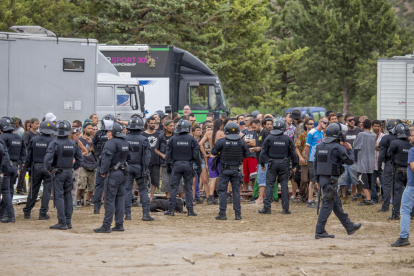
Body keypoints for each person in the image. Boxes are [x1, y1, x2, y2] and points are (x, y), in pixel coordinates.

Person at [314, 123, 361, 239]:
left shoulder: (320, 146)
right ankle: (319, 231)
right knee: (327, 205)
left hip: (324, 179)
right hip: (331, 180)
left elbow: (315, 164)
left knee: (337, 204)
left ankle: (349, 226)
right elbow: (350, 161)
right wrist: (350, 150)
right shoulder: (338, 147)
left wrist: (317, 179)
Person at [93, 122, 131, 233]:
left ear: (113, 132)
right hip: (124, 173)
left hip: (113, 174)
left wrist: (103, 171)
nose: (107, 134)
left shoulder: (110, 143)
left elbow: (106, 159)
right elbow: (130, 157)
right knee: (120, 198)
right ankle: (119, 224)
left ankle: (106, 226)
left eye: (109, 132)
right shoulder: (125, 142)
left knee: (109, 199)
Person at [44, 120, 83, 230]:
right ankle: (68, 221)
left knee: (59, 197)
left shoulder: (54, 143)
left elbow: (47, 159)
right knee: (68, 196)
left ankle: (62, 222)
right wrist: (73, 168)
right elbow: (80, 159)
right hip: (69, 172)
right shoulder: (73, 143)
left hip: (58, 172)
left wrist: (49, 169)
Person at [259, 120, 298, 214]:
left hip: (272, 163)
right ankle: (285, 208)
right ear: (284, 128)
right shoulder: (287, 139)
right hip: (284, 164)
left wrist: (262, 164)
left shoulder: (269, 138)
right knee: (284, 185)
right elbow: (293, 152)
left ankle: (267, 208)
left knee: (270, 185)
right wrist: (294, 165)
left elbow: (263, 152)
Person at [212, 122, 249, 220]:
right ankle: (238, 214)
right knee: (236, 191)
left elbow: (213, 152)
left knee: (223, 191)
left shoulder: (221, 141)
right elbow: (247, 154)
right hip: (236, 169)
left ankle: (222, 213)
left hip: (224, 169)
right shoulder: (241, 142)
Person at [164, 119, 199, 216]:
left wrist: (168, 166)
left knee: (174, 188)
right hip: (188, 165)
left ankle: (171, 210)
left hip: (176, 165)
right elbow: (196, 153)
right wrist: (195, 165)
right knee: (188, 188)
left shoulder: (173, 139)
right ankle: (190, 210)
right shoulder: (192, 139)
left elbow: (168, 155)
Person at [23, 121, 55, 220]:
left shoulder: (34, 139)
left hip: (36, 167)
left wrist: (27, 168)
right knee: (47, 191)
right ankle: (43, 213)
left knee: (33, 190)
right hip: (49, 168)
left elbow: (29, 156)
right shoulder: (54, 141)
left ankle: (27, 211)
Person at [125, 116, 153, 221]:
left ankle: (127, 214)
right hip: (140, 167)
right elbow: (147, 156)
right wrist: (145, 169)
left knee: (127, 190)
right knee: (143, 190)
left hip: (127, 167)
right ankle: (145, 214)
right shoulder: (144, 139)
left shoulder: (125, 138)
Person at [0, 117, 27, 223]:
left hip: (5, 167)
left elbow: (3, 154)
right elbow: (24, 153)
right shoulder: (18, 137)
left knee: (5, 191)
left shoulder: (2, 138)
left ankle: (10, 215)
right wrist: (18, 164)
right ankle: (2, 213)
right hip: (15, 167)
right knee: (9, 191)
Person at [391, 132, 414, 247]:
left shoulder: (413, 150)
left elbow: (413, 167)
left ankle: (404, 237)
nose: (410, 137)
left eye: (413, 135)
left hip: (412, 186)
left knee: (405, 210)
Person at [388, 123, 413, 220]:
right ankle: (412, 214)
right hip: (410, 170)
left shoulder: (395, 143)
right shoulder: (410, 144)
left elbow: (390, 154)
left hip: (398, 169)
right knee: (410, 192)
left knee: (397, 192)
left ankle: (396, 214)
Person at [92, 114, 116, 214]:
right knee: (109, 186)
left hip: (101, 162)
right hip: (111, 164)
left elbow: (93, 145)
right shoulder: (115, 134)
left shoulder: (98, 134)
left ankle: (97, 207)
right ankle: (107, 206)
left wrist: (98, 156)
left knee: (99, 185)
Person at [200, 119, 225, 205]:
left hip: (211, 157)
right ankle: (221, 196)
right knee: (221, 178)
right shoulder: (221, 134)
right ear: (221, 126)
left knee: (213, 179)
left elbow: (200, 144)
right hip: (220, 157)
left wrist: (205, 154)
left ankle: (210, 198)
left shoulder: (208, 133)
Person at [339, 114, 363, 201]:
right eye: (350, 120)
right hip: (345, 159)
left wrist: (351, 147)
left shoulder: (359, 131)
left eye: (353, 119)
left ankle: (359, 195)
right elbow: (340, 145)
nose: (352, 121)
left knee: (356, 179)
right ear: (346, 122)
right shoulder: (344, 133)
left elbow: (362, 145)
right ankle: (344, 196)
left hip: (356, 159)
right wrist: (343, 146)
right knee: (343, 178)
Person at [305, 116, 327, 208]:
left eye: (327, 123)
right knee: (312, 180)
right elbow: (307, 147)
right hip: (312, 160)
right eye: (324, 122)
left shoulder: (322, 132)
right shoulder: (312, 132)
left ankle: (320, 198)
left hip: (320, 159)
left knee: (320, 179)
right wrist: (308, 159)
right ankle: (310, 200)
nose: (326, 124)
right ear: (319, 122)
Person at [155, 119, 180, 199]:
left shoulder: (176, 136)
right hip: (165, 163)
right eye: (170, 126)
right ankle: (169, 201)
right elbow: (156, 150)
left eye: (173, 126)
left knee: (179, 183)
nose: (173, 127)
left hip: (176, 162)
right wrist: (162, 155)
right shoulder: (161, 137)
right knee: (166, 182)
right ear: (165, 127)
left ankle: (181, 201)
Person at [353, 119, 377, 205]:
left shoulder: (361, 134)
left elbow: (356, 146)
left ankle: (368, 199)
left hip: (363, 161)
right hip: (371, 161)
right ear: (371, 126)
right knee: (370, 180)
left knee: (362, 180)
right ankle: (369, 197)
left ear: (362, 126)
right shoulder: (374, 135)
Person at [378, 119, 399, 213]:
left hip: (389, 163)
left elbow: (381, 154)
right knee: (398, 186)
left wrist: (378, 165)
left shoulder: (385, 138)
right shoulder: (402, 138)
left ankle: (385, 207)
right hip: (399, 165)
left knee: (387, 185)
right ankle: (397, 206)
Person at [250, 119, 270, 204]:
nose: (253, 129)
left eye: (254, 127)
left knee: (262, 180)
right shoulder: (257, 134)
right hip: (259, 160)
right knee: (260, 179)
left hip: (265, 161)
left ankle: (261, 198)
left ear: (259, 125)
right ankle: (261, 197)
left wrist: (259, 148)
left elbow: (269, 146)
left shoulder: (266, 133)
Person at [77, 123, 97, 208]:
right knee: (81, 183)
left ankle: (88, 200)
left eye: (92, 128)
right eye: (89, 128)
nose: (91, 130)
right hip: (82, 164)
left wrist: (93, 144)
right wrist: (89, 149)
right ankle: (78, 199)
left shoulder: (94, 140)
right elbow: (78, 152)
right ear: (84, 129)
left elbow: (97, 152)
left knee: (92, 185)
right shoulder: (79, 140)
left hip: (93, 164)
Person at [142, 116, 161, 201]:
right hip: (145, 160)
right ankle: (141, 197)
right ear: (147, 123)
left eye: (154, 123)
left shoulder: (158, 134)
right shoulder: (143, 134)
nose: (153, 125)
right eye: (151, 123)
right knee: (143, 179)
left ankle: (151, 197)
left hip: (156, 160)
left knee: (154, 180)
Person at [295, 118, 314, 203]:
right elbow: (297, 147)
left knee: (312, 179)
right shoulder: (303, 135)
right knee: (304, 179)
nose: (312, 125)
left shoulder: (315, 135)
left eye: (313, 124)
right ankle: (301, 194)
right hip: (304, 160)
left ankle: (308, 197)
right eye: (310, 124)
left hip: (313, 160)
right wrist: (300, 157)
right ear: (306, 125)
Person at [241, 116, 257, 190]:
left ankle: (254, 192)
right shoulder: (243, 131)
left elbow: (254, 144)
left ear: (250, 121)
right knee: (245, 175)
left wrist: (245, 141)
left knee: (253, 175)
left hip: (252, 156)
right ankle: (246, 191)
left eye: (246, 120)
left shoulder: (254, 131)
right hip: (244, 156)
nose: (244, 122)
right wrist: (249, 142)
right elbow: (241, 142)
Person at [372, 119, 384, 203]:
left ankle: (384, 197)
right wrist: (376, 147)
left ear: (380, 127)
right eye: (375, 126)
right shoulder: (369, 135)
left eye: (378, 126)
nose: (376, 128)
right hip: (372, 163)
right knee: (372, 183)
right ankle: (374, 198)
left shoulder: (383, 136)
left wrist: (377, 147)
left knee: (383, 182)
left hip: (381, 163)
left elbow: (383, 148)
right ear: (372, 126)